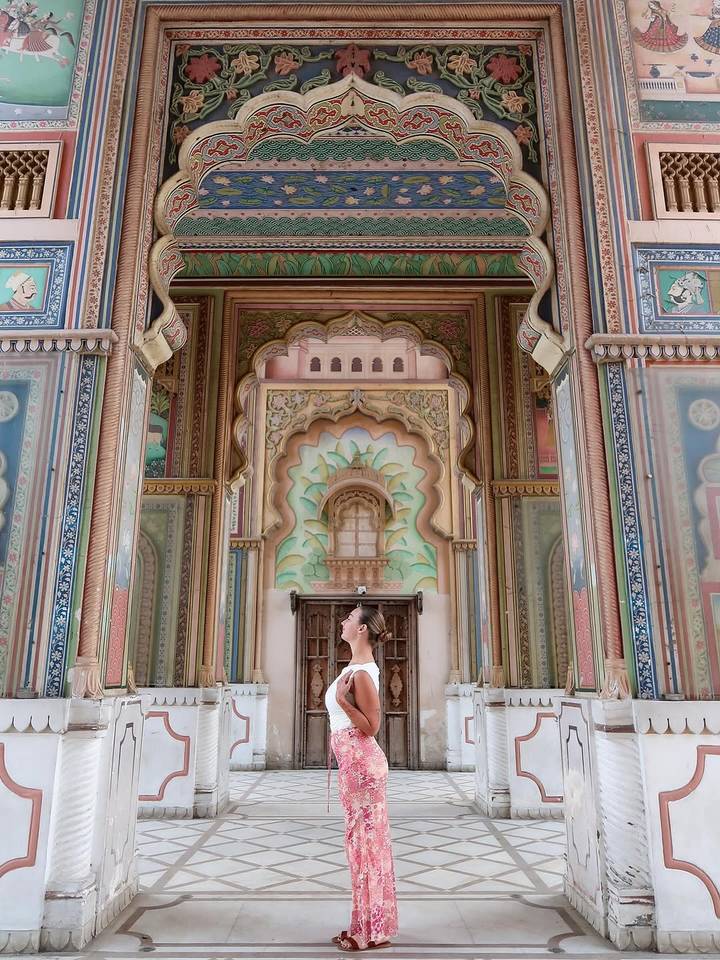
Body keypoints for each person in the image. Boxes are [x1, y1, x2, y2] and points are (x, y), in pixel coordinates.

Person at [325, 604, 398, 952]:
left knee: (365, 847)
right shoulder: (354, 667)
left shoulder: (364, 674)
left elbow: (371, 726)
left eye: (350, 618)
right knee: (362, 848)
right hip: (353, 764)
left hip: (362, 765)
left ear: (363, 629)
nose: (343, 621)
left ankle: (368, 931)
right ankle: (368, 926)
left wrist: (342, 702)